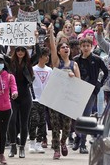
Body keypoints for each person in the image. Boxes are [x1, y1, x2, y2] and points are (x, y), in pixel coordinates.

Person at [48, 23, 80, 160]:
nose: (65, 48)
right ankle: (56, 149)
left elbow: (80, 83)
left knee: (67, 126)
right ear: (59, 51)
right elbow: (52, 48)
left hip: (68, 100)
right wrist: (51, 33)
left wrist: (73, 79)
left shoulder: (74, 65)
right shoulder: (56, 63)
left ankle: (63, 142)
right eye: (63, 47)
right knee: (55, 126)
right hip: (55, 99)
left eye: (67, 47)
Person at [73, 38, 108, 154]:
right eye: (83, 46)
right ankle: (77, 136)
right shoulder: (76, 60)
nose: (86, 48)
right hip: (78, 90)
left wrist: (99, 84)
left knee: (86, 116)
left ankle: (83, 143)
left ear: (91, 46)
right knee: (76, 116)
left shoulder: (97, 59)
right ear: (80, 47)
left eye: (88, 45)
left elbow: (105, 72)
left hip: (91, 91)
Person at [8, 46, 35, 158]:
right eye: (18, 50)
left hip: (25, 96)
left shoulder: (28, 62)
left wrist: (36, 40)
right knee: (12, 120)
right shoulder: (10, 62)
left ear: (25, 52)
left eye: (22, 50)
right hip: (12, 96)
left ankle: (22, 147)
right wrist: (0, 37)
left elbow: (38, 54)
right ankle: (13, 145)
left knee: (24, 123)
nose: (20, 52)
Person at [29, 47, 52, 154]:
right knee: (34, 120)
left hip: (44, 100)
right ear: (40, 57)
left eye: (48, 55)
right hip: (34, 99)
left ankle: (39, 143)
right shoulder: (33, 69)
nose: (47, 58)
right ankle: (32, 142)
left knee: (43, 122)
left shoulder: (49, 70)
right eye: (45, 55)